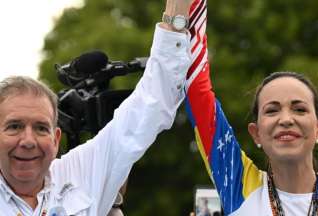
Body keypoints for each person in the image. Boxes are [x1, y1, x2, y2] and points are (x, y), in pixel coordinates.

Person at [0, 0, 192, 215]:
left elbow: (152, 103)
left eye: (41, 128)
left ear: (55, 139)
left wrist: (177, 13)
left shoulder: (79, 174)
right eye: (14, 126)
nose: (28, 141)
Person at [185, 1, 318, 216]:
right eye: (272, 110)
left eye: (299, 109)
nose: (286, 119)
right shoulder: (238, 186)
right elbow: (196, 91)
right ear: (256, 133)